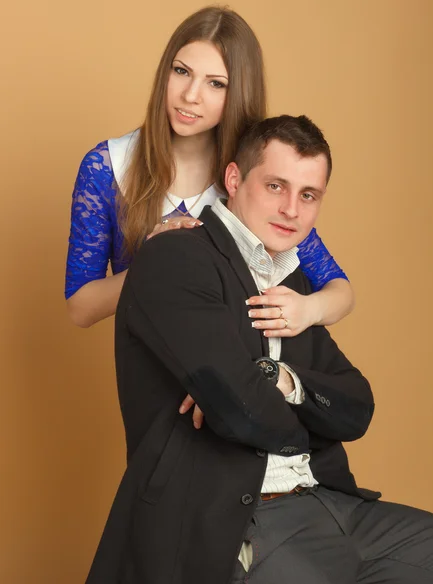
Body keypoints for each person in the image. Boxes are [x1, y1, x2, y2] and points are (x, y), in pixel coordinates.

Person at [84, 115, 433, 584]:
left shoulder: (293, 285)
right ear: (234, 179)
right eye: (275, 186)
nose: (292, 209)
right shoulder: (176, 258)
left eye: (308, 195)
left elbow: (358, 407)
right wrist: (288, 407)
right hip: (242, 520)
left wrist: (276, 379)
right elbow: (241, 412)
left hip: (334, 502)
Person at [65, 5, 353, 332]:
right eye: (181, 71)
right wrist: (155, 261)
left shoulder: (250, 173)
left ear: (239, 92)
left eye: (216, 84)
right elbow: (80, 308)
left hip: (245, 372)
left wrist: (308, 308)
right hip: (151, 373)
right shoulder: (108, 166)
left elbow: (340, 290)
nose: (190, 95)